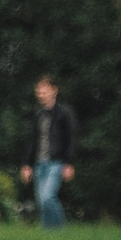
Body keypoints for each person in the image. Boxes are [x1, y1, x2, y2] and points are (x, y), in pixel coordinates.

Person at [18, 76, 77, 229]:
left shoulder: (64, 113)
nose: (40, 95)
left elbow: (71, 138)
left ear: (54, 91)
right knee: (41, 202)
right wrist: (26, 165)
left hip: (56, 163)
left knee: (47, 197)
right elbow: (33, 141)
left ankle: (60, 229)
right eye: (38, 92)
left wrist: (69, 163)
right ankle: (49, 235)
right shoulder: (38, 115)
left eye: (44, 91)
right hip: (39, 164)